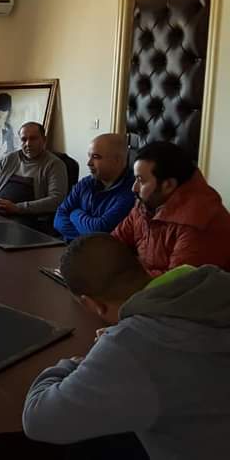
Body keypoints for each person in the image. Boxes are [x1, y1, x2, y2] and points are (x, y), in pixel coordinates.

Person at [23, 233, 230, 460]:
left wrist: (74, 364)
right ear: (141, 265)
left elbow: (37, 419)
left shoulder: (131, 347)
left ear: (92, 304)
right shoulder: (213, 285)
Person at [112, 140, 230, 276]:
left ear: (168, 185)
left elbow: (175, 283)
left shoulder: (198, 222)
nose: (134, 188)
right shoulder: (145, 204)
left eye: (141, 180)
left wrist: (121, 278)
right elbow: (112, 243)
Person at [54, 133, 135, 241]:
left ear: (117, 160)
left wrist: (75, 213)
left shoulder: (132, 191)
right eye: (89, 156)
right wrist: (87, 236)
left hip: (101, 251)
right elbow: (58, 219)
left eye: (96, 157)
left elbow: (99, 232)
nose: (89, 163)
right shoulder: (85, 183)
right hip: (68, 246)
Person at [0, 122, 68, 217]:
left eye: (33, 139)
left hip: (24, 217)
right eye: (24, 139)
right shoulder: (9, 158)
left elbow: (56, 200)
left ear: (44, 140)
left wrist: (17, 208)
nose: (28, 144)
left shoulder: (54, 164)